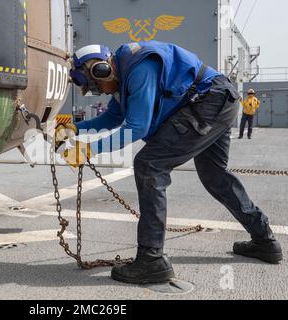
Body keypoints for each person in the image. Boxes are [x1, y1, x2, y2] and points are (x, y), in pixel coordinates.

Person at [55, 41, 282, 284]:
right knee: (214, 176)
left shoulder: (140, 69)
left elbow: (136, 128)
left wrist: (88, 150)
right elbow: (113, 116)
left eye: (98, 85)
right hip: (219, 100)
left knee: (150, 164)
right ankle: (264, 241)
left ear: (102, 69)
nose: (102, 91)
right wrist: (74, 128)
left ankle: (151, 260)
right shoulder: (125, 74)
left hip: (209, 100)